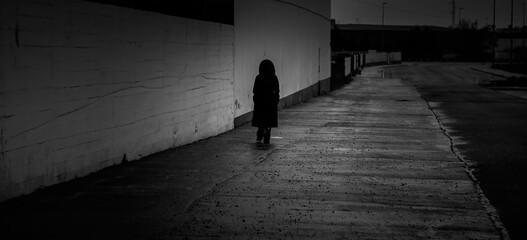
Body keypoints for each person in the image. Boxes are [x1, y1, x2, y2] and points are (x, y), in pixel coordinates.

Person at [252, 59, 280, 144]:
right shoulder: (274, 78)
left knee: (261, 119)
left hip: (260, 102)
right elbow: (277, 90)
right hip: (270, 102)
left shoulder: (259, 77)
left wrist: (256, 99)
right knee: (269, 119)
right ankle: (267, 134)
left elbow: (255, 90)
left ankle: (260, 134)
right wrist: (276, 100)